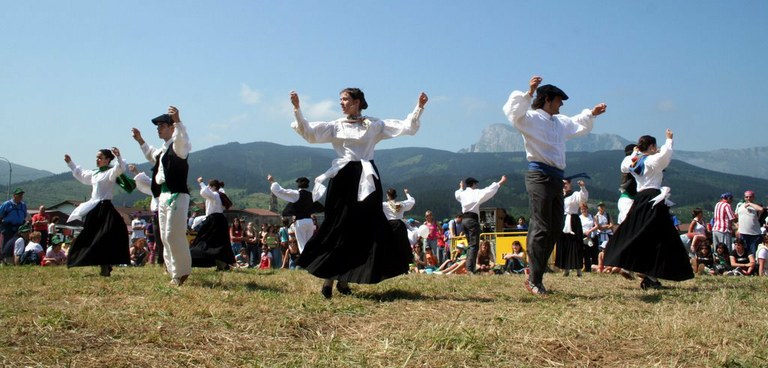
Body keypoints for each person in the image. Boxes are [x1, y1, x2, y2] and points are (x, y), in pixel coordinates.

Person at [291, 88, 428, 298]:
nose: (341, 102)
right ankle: (329, 279)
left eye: (345, 99)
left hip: (367, 180)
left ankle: (344, 280)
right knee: (338, 225)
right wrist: (297, 109)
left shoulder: (373, 124)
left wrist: (419, 107)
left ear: (357, 102)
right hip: (343, 179)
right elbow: (309, 133)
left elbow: (405, 127)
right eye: (340, 99)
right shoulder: (336, 125)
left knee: (363, 228)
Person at [503, 75, 607, 295]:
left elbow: (577, 122)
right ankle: (534, 279)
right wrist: (529, 92)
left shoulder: (559, 122)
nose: (561, 105)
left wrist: (592, 113)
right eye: (559, 100)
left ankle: (535, 275)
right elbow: (513, 113)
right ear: (548, 100)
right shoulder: (530, 118)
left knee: (556, 226)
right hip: (539, 176)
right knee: (541, 226)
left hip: (556, 178)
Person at [603, 129, 694, 289]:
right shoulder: (652, 161)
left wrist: (635, 153)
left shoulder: (633, 161)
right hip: (653, 199)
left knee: (639, 232)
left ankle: (643, 272)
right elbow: (665, 156)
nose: (656, 148)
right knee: (660, 237)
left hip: (640, 198)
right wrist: (669, 140)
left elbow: (624, 166)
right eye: (654, 146)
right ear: (651, 147)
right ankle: (648, 274)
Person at [132, 105, 192, 286]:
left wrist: (178, 121)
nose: (158, 129)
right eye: (157, 126)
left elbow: (182, 140)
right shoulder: (163, 150)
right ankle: (173, 271)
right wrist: (140, 140)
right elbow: (151, 154)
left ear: (171, 128)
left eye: (162, 125)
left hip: (176, 194)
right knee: (165, 236)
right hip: (163, 195)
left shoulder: (178, 147)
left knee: (174, 234)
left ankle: (181, 272)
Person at [64, 148, 131, 277]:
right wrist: (70, 163)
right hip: (95, 208)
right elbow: (81, 175)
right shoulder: (94, 173)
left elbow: (120, 168)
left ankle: (107, 263)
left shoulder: (110, 172)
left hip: (106, 207)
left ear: (107, 160)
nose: (97, 160)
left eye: (100, 157)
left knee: (115, 231)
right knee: (91, 235)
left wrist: (118, 156)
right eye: (97, 157)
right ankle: (99, 263)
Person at [455, 176, 507, 273]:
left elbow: (457, 194)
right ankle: (470, 269)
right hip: (472, 220)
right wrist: (500, 182)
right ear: (473, 184)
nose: (476, 186)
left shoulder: (462, 193)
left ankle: (469, 267)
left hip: (464, 220)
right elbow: (488, 190)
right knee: (474, 245)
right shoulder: (476, 193)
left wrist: (461, 187)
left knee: (470, 245)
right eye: (475, 184)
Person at [268, 175, 324, 253]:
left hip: (300, 221)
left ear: (298, 185)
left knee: (302, 245)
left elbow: (281, 191)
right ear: (307, 185)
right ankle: (311, 259)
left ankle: (304, 260)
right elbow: (319, 203)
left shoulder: (296, 194)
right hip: (310, 222)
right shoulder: (311, 195)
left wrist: (272, 181)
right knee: (310, 245)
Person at [190, 177, 236, 271]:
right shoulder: (220, 194)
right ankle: (222, 264)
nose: (208, 188)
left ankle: (196, 259)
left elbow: (204, 192)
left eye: (210, 186)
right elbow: (210, 191)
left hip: (213, 221)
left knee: (204, 241)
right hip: (220, 220)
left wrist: (201, 182)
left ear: (214, 187)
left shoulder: (215, 195)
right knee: (219, 243)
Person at [556, 179, 588, 277]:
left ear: (570, 184)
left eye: (566, 183)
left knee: (575, 244)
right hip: (563, 220)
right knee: (564, 244)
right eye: (562, 184)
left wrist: (582, 187)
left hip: (573, 220)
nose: (564, 185)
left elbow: (583, 198)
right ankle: (565, 268)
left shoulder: (575, 194)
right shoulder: (559, 195)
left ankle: (578, 269)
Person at [382, 187, 416, 270]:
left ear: (387, 196)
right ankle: (405, 265)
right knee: (403, 244)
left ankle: (390, 264)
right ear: (395, 196)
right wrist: (407, 193)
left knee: (390, 244)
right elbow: (411, 201)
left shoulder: (384, 205)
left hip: (390, 225)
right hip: (400, 225)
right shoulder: (401, 204)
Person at [734, 190, 764, 256]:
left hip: (754, 234)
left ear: (753, 197)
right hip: (743, 233)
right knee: (744, 252)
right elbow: (739, 218)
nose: (748, 198)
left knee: (753, 252)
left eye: (750, 197)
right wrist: (738, 229)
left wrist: (750, 204)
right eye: (746, 197)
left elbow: (761, 209)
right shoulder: (740, 206)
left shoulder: (755, 206)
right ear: (744, 197)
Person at [1, 188, 28, 257]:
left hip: (19, 227)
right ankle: (5, 257)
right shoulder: (7, 204)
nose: (21, 197)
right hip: (8, 227)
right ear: (14, 195)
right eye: (19, 195)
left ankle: (17, 257)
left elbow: (24, 216)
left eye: (21, 195)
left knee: (19, 242)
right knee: (7, 242)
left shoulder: (23, 205)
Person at [617, 144, 638, 224]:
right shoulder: (627, 159)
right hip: (628, 198)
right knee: (629, 223)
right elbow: (629, 165)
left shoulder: (637, 161)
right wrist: (635, 152)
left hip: (635, 198)